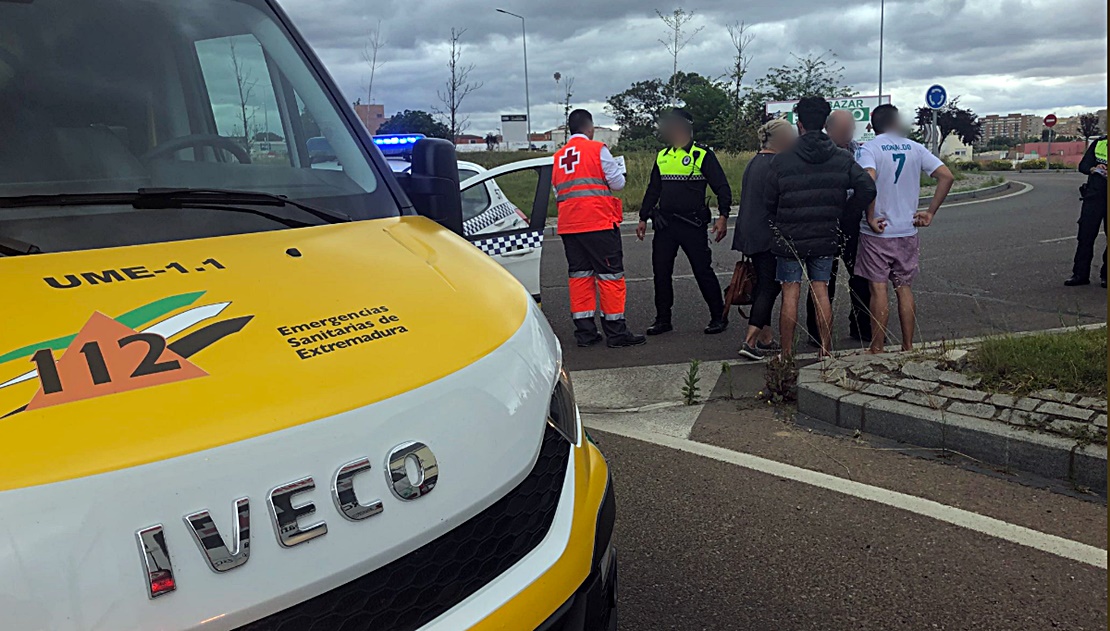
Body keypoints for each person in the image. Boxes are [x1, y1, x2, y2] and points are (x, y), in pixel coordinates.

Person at [764, 96, 877, 358]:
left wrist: (779, 218)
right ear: (825, 123)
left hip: (790, 234)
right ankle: (826, 350)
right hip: (827, 232)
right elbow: (868, 188)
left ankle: (787, 353)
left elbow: (768, 199)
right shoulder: (841, 158)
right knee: (821, 289)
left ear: (799, 124)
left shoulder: (781, 160)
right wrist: (845, 214)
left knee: (790, 291)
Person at [856, 104, 955, 353]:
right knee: (904, 287)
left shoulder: (869, 148)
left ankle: (877, 346)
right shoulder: (915, 147)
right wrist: (930, 211)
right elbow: (946, 176)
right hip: (907, 229)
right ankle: (908, 345)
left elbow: (868, 178)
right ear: (896, 122)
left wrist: (870, 215)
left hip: (878, 231)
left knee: (878, 289)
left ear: (872, 124)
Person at [552, 109, 646, 348]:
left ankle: (585, 333)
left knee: (580, 277)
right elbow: (618, 183)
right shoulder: (597, 149)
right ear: (589, 127)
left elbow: (557, 192)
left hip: (569, 226)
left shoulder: (559, 157)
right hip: (598, 223)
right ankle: (616, 332)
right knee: (610, 276)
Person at [636, 108, 732, 336]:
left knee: (702, 270)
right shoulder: (662, 156)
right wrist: (642, 216)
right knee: (661, 272)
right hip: (665, 225)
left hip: (692, 224)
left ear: (685, 128)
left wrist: (723, 216)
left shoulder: (702, 154)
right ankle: (663, 319)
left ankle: (718, 316)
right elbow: (654, 189)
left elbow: (722, 187)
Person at [804, 109, 873, 346]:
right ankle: (817, 332)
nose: (848, 133)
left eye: (851, 128)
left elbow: (867, 187)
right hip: (824, 222)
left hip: (851, 221)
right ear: (829, 129)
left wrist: (852, 211)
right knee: (823, 278)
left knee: (860, 276)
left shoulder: (859, 151)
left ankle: (862, 326)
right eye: (843, 130)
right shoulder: (820, 153)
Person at [732, 118, 795, 360]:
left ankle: (766, 338)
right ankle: (749, 340)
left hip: (750, 231)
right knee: (769, 286)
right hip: (768, 233)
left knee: (762, 284)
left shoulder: (754, 162)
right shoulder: (777, 164)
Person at [1066, 134, 1107, 288]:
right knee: (1085, 236)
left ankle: (1106, 276)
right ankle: (1080, 275)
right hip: (1094, 196)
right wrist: (1094, 168)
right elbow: (1083, 166)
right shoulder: (1100, 143)